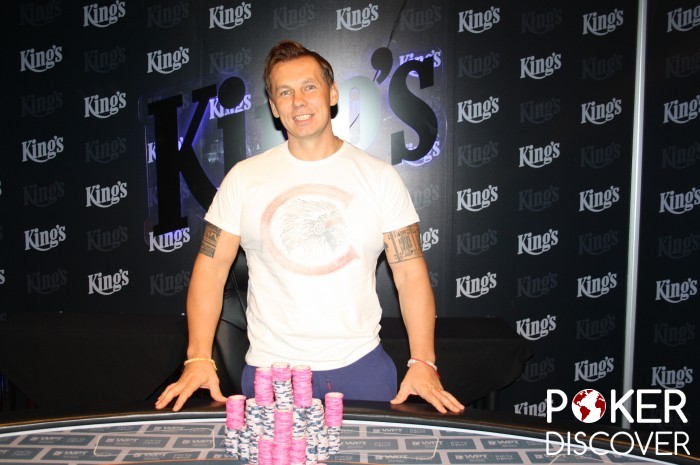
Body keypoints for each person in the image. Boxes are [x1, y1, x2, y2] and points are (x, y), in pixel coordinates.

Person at [155, 40, 464, 414]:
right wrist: (197, 358)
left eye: (309, 87)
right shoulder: (243, 178)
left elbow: (410, 272)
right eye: (284, 92)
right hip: (271, 374)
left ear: (332, 94)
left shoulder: (380, 178)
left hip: (361, 369)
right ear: (274, 106)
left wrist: (424, 361)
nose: (298, 101)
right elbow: (211, 268)